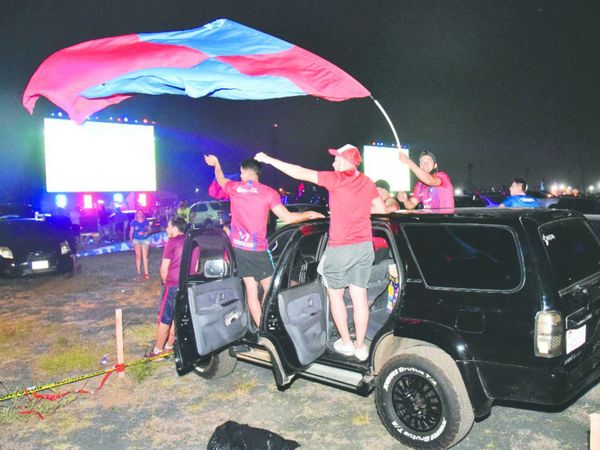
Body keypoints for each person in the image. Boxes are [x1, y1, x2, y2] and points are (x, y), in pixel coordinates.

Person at [255, 144, 386, 362]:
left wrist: (269, 160)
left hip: (341, 248)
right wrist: (358, 210)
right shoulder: (367, 181)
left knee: (335, 295)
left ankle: (346, 343)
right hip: (364, 247)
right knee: (359, 297)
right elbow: (381, 210)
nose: (333, 163)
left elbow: (300, 172)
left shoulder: (336, 179)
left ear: (347, 161)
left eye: (337, 159)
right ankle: (361, 346)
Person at [204, 155, 324, 327]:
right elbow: (287, 217)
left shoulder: (235, 188)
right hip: (258, 250)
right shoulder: (268, 193)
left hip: (239, 248)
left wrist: (216, 163)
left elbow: (220, 178)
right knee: (271, 291)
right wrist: (309, 214)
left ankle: (262, 328)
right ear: (257, 174)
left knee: (252, 292)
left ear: (243, 173)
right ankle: (273, 326)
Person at [146, 216, 187, 357]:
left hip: (172, 285)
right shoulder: (192, 241)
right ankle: (170, 347)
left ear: (175, 228)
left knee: (165, 318)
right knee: (178, 317)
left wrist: (165, 283)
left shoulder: (172, 242)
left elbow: (164, 269)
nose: (166, 229)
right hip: (187, 286)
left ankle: (157, 351)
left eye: (168, 226)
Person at [130, 209, 151, 279]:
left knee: (145, 256)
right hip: (136, 240)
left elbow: (150, 230)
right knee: (138, 256)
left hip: (145, 239)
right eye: (138, 213)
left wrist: (145, 233)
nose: (140, 214)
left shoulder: (146, 221)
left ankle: (146, 273)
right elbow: (131, 232)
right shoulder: (134, 222)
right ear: (136, 214)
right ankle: (139, 271)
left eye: (141, 213)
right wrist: (131, 240)